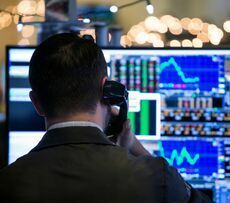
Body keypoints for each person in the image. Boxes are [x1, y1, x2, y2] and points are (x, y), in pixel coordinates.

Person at [0, 33, 211, 203]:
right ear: (105, 90)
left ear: (36, 102)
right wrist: (136, 149)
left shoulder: (7, 183)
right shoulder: (157, 179)